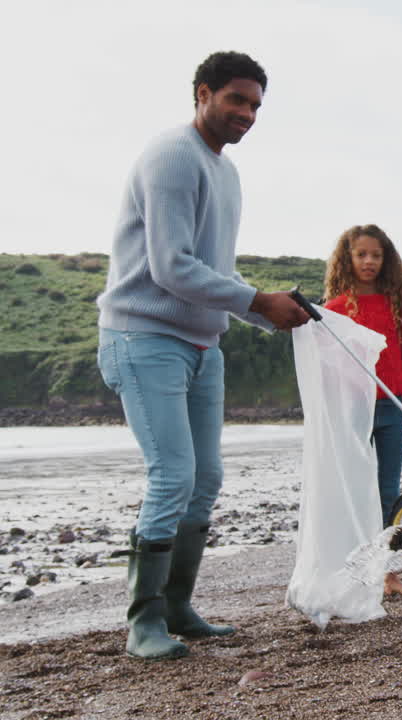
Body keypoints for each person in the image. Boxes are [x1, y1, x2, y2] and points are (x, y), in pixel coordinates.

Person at [96, 51, 311, 660]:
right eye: (236, 100)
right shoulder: (171, 155)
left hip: (201, 344)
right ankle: (144, 624)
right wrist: (255, 299)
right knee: (172, 474)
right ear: (203, 93)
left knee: (205, 477)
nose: (246, 114)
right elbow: (169, 268)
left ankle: (177, 606)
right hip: (143, 338)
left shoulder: (227, 172)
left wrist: (267, 311)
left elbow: (212, 270)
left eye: (255, 106)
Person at [323, 224, 402, 597]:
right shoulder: (334, 312)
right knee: (354, 492)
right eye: (361, 254)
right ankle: (352, 573)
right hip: (353, 413)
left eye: (376, 255)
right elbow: (326, 373)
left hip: (390, 410)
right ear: (348, 258)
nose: (369, 261)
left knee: (387, 493)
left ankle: (387, 575)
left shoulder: (395, 307)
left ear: (386, 261)